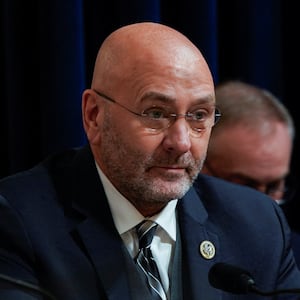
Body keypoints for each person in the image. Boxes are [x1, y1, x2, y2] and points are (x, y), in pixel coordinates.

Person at [0, 22, 299, 300]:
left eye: (198, 116)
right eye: (155, 114)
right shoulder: (17, 222)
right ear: (94, 116)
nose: (181, 142)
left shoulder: (259, 225)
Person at [201, 79, 300, 265]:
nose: (267, 207)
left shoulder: (293, 258)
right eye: (246, 186)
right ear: (199, 167)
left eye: (274, 186)